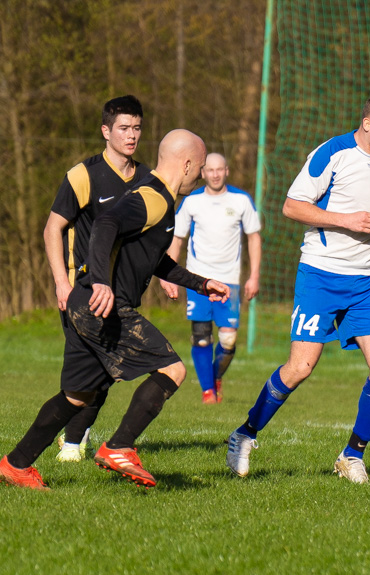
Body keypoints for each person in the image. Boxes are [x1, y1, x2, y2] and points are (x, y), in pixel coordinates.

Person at [0, 129, 230, 490]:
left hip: (85, 302)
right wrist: (102, 282)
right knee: (172, 369)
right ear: (186, 164)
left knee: (78, 395)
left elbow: (154, 261)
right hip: (103, 305)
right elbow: (105, 224)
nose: (200, 175)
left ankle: (15, 465)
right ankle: (119, 446)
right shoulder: (154, 197)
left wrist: (200, 283)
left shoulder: (161, 202)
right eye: (199, 168)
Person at [225, 90, 370, 483]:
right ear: (368, 123)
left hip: (369, 280)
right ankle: (245, 434)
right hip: (320, 275)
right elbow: (291, 205)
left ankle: (351, 455)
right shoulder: (332, 154)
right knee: (300, 367)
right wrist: (346, 220)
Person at [43, 95, 148, 463]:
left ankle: (72, 439)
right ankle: (71, 443)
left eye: (136, 128)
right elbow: (52, 228)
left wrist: (166, 275)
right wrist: (61, 282)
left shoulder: (148, 180)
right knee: (91, 370)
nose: (131, 135)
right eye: (123, 128)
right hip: (82, 291)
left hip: (121, 294)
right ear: (106, 131)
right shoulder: (83, 174)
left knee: (104, 372)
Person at [160, 153, 262, 404]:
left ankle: (215, 377)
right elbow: (177, 238)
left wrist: (254, 275)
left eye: (220, 169)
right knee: (201, 336)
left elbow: (254, 237)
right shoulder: (192, 201)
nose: (215, 174)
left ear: (227, 171)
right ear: (203, 173)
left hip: (230, 281)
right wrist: (169, 274)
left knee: (228, 340)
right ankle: (208, 391)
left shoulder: (241, 200)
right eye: (210, 170)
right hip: (198, 280)